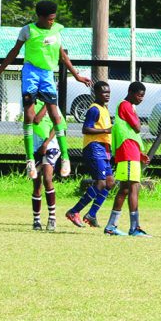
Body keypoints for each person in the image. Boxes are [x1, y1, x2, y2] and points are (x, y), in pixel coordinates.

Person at [0, 0, 90, 179]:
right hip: (31, 73)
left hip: (48, 74)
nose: (51, 22)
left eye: (53, 18)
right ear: (40, 17)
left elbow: (62, 55)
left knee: (55, 113)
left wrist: (77, 75)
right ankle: (29, 160)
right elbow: (14, 51)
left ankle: (65, 157)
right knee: (29, 115)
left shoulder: (57, 29)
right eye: (49, 19)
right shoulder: (28, 30)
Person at [66, 82, 114, 229]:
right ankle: (74, 211)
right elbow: (86, 129)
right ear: (96, 93)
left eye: (108, 92)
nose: (107, 95)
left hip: (104, 149)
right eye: (103, 92)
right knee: (100, 183)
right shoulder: (94, 109)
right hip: (94, 148)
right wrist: (105, 131)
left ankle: (91, 215)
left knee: (110, 182)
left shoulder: (104, 108)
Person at [104, 82, 150, 237]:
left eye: (143, 96)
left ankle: (111, 226)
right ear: (130, 92)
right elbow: (137, 127)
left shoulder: (128, 106)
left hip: (130, 152)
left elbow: (131, 132)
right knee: (133, 188)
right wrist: (138, 121)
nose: (141, 99)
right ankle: (134, 227)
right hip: (127, 152)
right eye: (139, 95)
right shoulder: (125, 105)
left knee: (124, 188)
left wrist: (139, 154)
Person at [28, 100, 60, 231]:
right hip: (34, 147)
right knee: (36, 184)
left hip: (50, 146)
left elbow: (58, 124)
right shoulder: (30, 104)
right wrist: (47, 104)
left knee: (47, 179)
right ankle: (36, 220)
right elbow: (36, 120)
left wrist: (46, 143)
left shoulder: (54, 105)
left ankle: (52, 218)